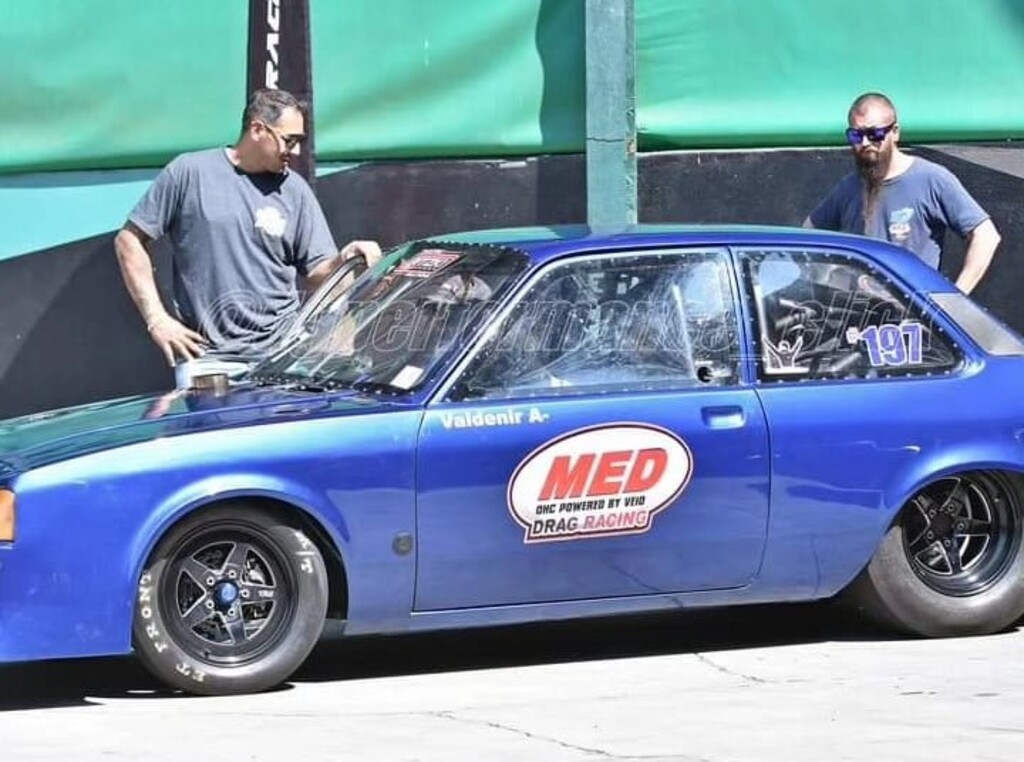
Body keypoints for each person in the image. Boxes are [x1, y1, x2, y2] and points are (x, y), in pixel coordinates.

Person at [114, 87, 381, 374]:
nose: (296, 150)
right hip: (208, 364)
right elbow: (129, 241)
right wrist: (157, 319)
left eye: (300, 141)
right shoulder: (189, 172)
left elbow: (317, 273)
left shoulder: (295, 191)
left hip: (284, 360)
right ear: (257, 129)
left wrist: (345, 260)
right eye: (289, 140)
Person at [804, 92, 1000, 294]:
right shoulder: (849, 187)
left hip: (913, 319)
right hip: (861, 317)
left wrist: (954, 300)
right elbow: (807, 239)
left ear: (895, 132)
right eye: (856, 135)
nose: (864, 143)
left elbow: (986, 236)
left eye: (874, 134)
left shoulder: (931, 179)